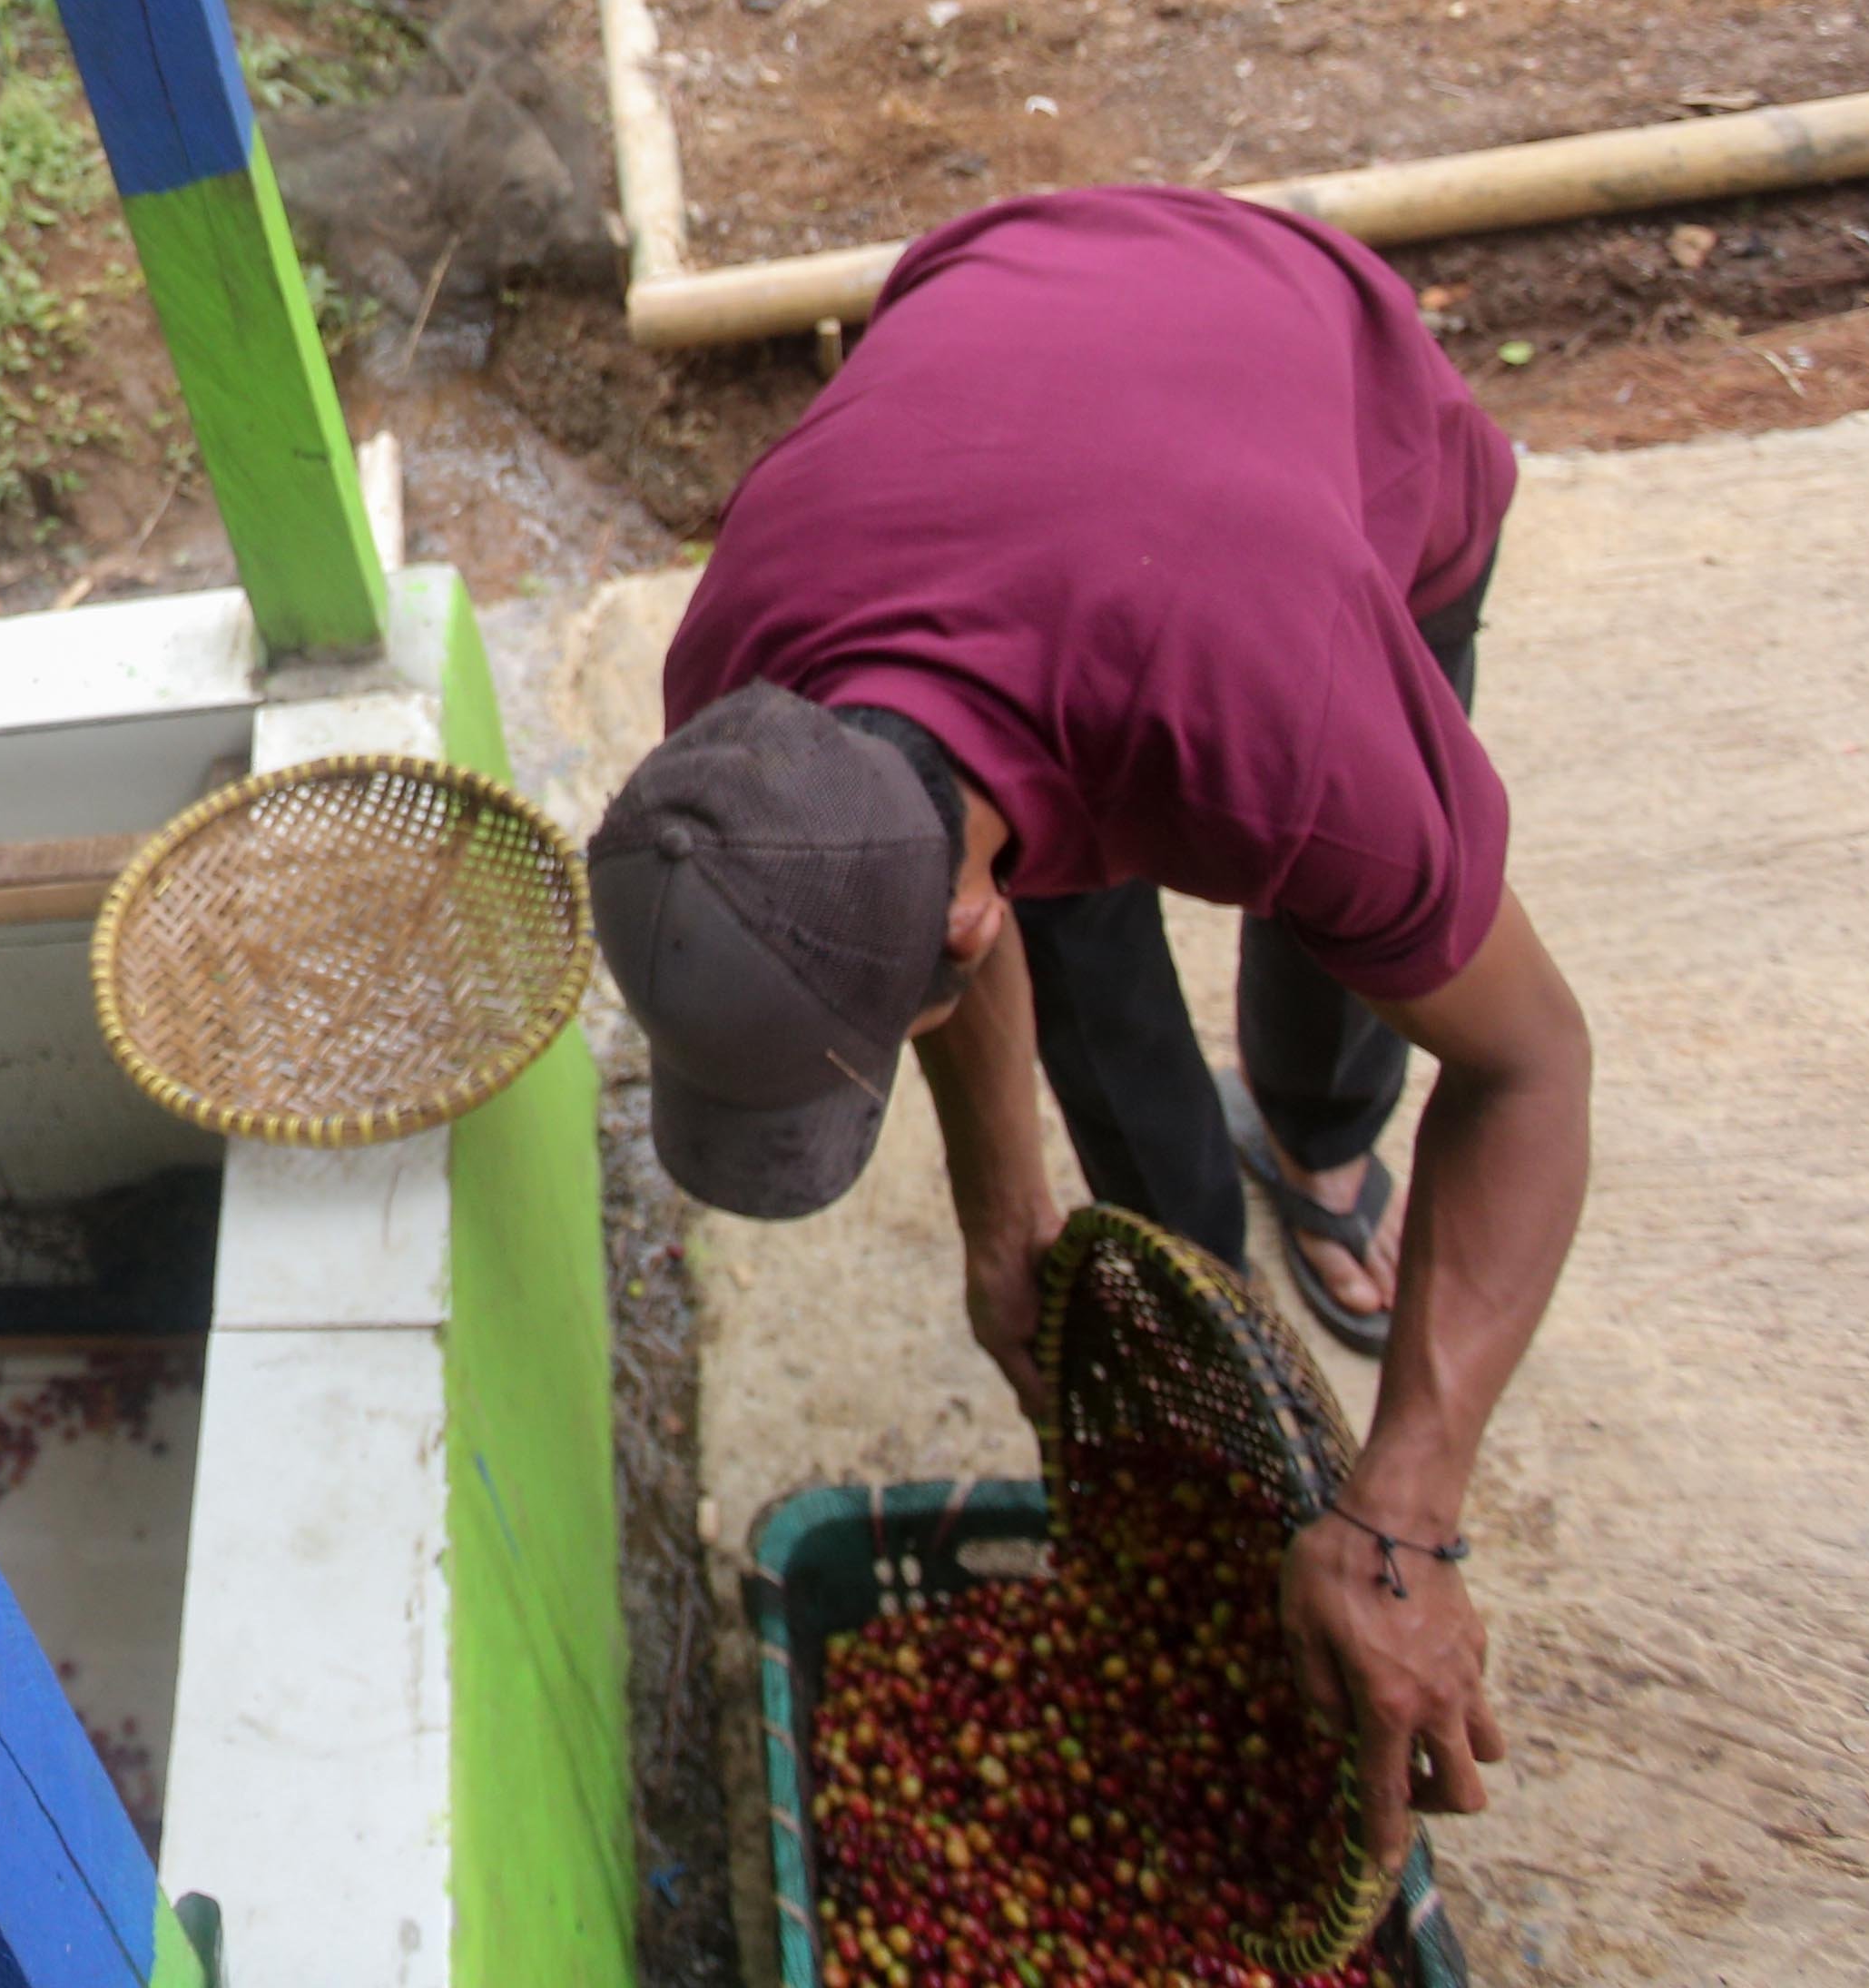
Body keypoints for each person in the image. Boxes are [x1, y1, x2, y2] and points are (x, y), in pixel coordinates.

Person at [585, 184, 1592, 1870]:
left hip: (1305, 375)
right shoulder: (736, 731)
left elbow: (1532, 1064)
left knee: (1351, 974)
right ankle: (1179, 1247)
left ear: (963, 921)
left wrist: (1407, 1517)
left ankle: (1320, 1143)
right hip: (1007, 311)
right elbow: (895, 924)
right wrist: (1008, 1229)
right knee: (1104, 1032)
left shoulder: (1280, 733)